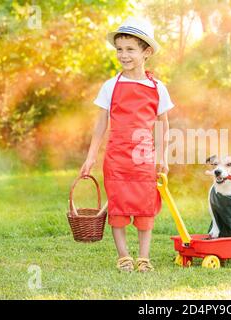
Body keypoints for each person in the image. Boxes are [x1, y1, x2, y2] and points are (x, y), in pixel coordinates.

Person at [79, 17, 174, 272]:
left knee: (145, 207)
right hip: (117, 157)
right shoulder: (111, 86)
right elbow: (100, 124)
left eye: (130, 49)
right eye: (119, 49)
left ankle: (144, 257)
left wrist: (162, 157)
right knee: (118, 207)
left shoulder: (157, 88)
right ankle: (123, 256)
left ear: (147, 52)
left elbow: (163, 125)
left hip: (144, 158)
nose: (123, 55)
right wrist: (90, 157)